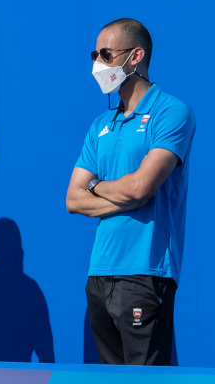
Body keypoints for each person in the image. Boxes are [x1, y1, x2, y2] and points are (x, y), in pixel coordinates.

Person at [66, 18, 195, 366]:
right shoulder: (101, 124)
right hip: (99, 273)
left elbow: (142, 187)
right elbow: (73, 198)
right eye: (95, 55)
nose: (98, 65)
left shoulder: (171, 112)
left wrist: (97, 185)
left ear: (135, 56)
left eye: (106, 55)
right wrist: (118, 193)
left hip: (146, 271)